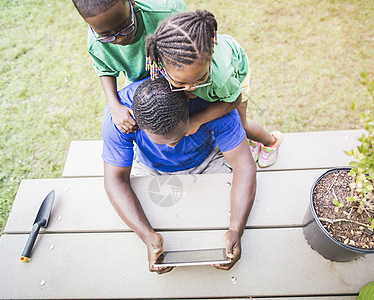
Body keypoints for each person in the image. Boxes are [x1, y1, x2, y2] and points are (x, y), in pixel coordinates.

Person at [102, 77, 257, 274]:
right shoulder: (121, 117)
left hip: (207, 160)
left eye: (179, 136)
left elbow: (244, 165)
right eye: (161, 142)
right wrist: (147, 235)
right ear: (137, 125)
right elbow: (114, 179)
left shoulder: (211, 104)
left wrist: (236, 229)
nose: (172, 147)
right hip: (152, 169)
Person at [145, 9, 283, 168]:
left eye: (200, 79)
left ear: (209, 62)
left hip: (236, 76)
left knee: (241, 124)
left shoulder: (222, 79)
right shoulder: (159, 59)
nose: (190, 87)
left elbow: (233, 101)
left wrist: (198, 120)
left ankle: (271, 142)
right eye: (181, 83)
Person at [72, 0, 186, 133]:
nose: (120, 39)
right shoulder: (96, 43)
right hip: (137, 82)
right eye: (107, 36)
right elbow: (104, 69)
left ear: (131, 3)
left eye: (126, 27)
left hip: (178, 74)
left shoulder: (169, 13)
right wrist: (114, 106)